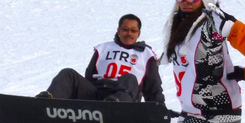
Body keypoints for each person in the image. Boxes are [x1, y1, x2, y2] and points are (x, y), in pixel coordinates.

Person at [36, 14, 165, 103]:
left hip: (126, 96)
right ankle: (48, 101)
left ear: (138, 33)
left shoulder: (146, 54)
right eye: (125, 29)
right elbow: (89, 76)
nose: (129, 33)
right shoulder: (103, 48)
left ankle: (116, 104)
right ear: (118, 30)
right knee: (68, 73)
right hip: (98, 93)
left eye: (133, 30)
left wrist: (158, 108)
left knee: (130, 78)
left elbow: (153, 85)